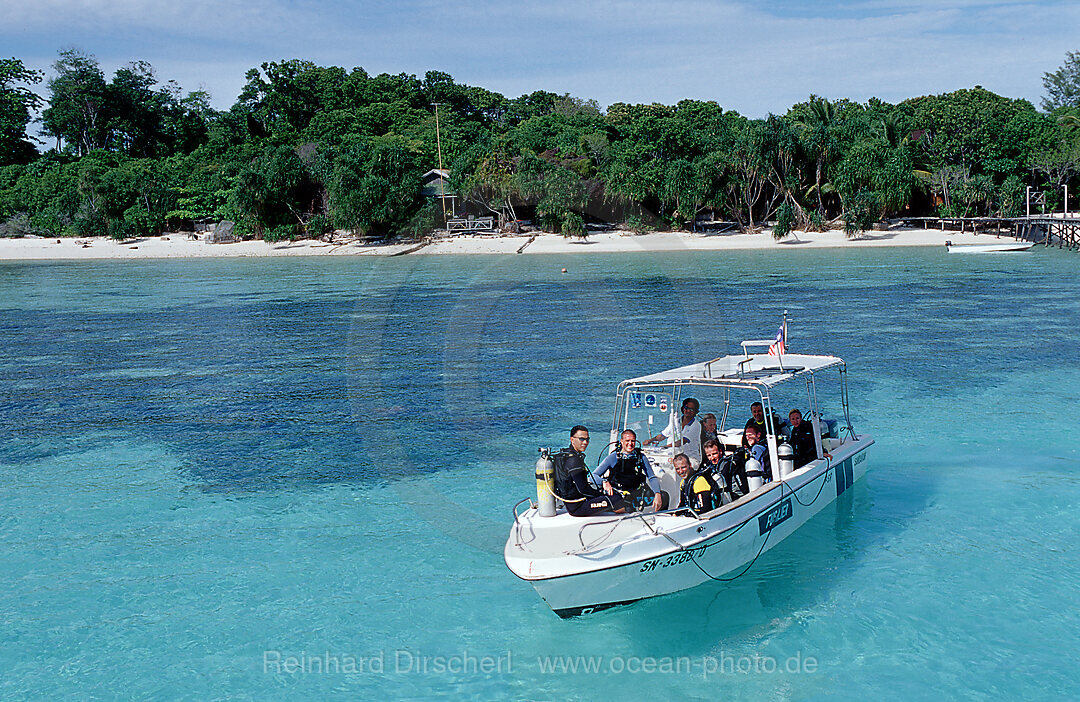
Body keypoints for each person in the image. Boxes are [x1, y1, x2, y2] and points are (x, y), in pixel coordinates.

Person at [553, 426, 628, 516]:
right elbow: (583, 489)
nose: (585, 442)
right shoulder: (573, 460)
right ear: (572, 439)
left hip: (574, 502)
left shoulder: (568, 456)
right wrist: (601, 495)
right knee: (617, 499)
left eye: (587, 439)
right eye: (581, 439)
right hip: (577, 508)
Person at [592, 429, 664, 512]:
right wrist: (604, 482)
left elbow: (651, 477)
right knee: (628, 508)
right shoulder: (614, 457)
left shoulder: (641, 457)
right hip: (619, 495)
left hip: (635, 494)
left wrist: (657, 493)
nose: (630, 444)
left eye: (633, 441)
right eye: (627, 441)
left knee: (664, 496)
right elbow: (593, 476)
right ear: (621, 441)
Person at [645, 397, 702, 466]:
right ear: (683, 408)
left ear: (696, 412)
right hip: (674, 455)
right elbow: (663, 435)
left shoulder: (696, 425)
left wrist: (664, 447)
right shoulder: (676, 421)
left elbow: (681, 442)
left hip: (690, 458)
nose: (688, 411)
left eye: (692, 409)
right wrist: (650, 440)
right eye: (686, 408)